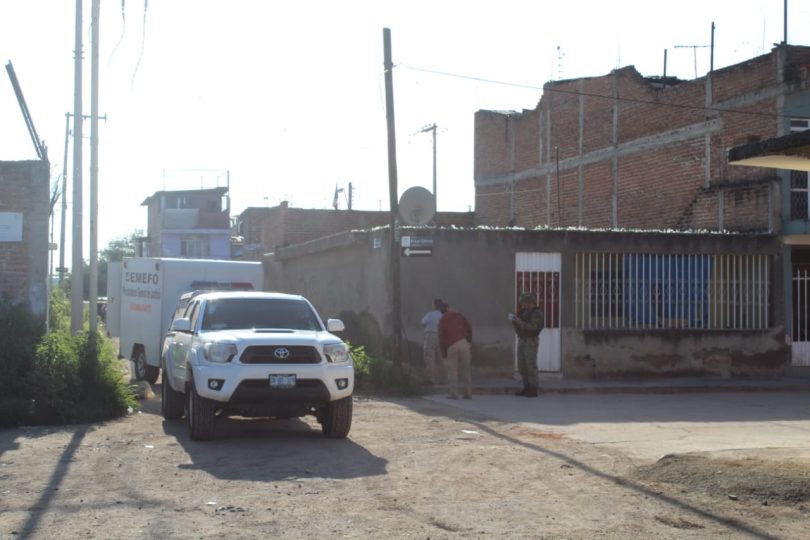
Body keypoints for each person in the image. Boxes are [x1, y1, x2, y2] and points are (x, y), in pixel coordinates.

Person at [510, 291, 544, 397]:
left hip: (531, 341)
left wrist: (520, 322)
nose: (522, 305)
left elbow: (534, 327)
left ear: (530, 302)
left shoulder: (537, 313)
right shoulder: (523, 312)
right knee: (522, 366)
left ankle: (533, 388)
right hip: (522, 340)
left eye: (524, 302)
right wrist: (515, 323)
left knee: (530, 365)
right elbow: (519, 328)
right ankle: (526, 387)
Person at [437, 301, 473, 399]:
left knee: (452, 371)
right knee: (466, 369)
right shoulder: (459, 315)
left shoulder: (442, 320)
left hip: (451, 346)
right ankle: (468, 393)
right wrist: (469, 342)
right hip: (463, 342)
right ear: (448, 308)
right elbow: (469, 328)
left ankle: (454, 394)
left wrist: (444, 352)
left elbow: (441, 337)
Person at [420, 298, 444, 384]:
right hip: (441, 337)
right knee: (441, 359)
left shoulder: (430, 314)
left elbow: (422, 322)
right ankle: (442, 378)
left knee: (429, 358)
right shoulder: (443, 315)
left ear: (434, 305)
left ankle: (431, 379)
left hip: (430, 336)